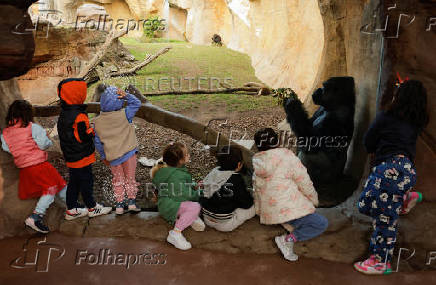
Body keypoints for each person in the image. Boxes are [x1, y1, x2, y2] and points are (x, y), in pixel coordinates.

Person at [354, 80, 429, 275]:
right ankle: (406, 197)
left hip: (389, 171)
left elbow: (368, 141)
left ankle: (380, 262)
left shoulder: (386, 117)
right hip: (406, 171)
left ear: (398, 97)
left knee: (384, 219)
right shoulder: (416, 123)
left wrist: (375, 148)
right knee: (366, 205)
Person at [252, 128, 328, 262]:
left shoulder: (258, 164)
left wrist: (260, 212)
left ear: (258, 146)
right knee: (320, 223)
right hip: (287, 209)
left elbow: (256, 190)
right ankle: (287, 240)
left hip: (271, 211)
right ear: (278, 141)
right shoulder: (287, 156)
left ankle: (290, 224)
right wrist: (314, 200)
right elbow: (304, 182)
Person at [1, 100, 67, 233]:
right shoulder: (32, 127)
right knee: (52, 188)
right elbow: (44, 144)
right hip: (38, 165)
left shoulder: (5, 134)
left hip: (25, 168)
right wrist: (47, 139)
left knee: (60, 185)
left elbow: (6, 148)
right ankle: (36, 216)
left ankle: (72, 207)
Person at [57, 78, 112, 220]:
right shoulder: (79, 115)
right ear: (77, 94)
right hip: (82, 156)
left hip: (71, 155)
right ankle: (92, 207)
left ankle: (71, 209)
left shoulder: (64, 112)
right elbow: (84, 137)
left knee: (74, 181)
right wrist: (91, 131)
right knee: (86, 181)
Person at [93, 85, 142, 215]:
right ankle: (131, 203)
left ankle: (119, 206)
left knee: (117, 180)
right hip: (129, 154)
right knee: (130, 178)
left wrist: (103, 157)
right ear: (119, 101)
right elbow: (137, 103)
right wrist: (126, 95)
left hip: (113, 157)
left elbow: (97, 142)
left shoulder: (97, 122)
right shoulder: (125, 114)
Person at [151, 142, 205, 250]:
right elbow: (186, 195)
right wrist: (199, 194)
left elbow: (183, 184)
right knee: (195, 206)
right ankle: (175, 234)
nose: (189, 155)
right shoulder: (176, 175)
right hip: (169, 206)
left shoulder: (171, 170)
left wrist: (195, 185)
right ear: (180, 160)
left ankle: (189, 217)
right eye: (186, 154)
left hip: (169, 202)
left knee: (193, 206)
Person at [200, 145, 255, 232]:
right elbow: (246, 204)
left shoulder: (214, 171)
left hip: (206, 217)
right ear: (239, 164)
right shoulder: (236, 179)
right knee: (252, 208)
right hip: (224, 224)